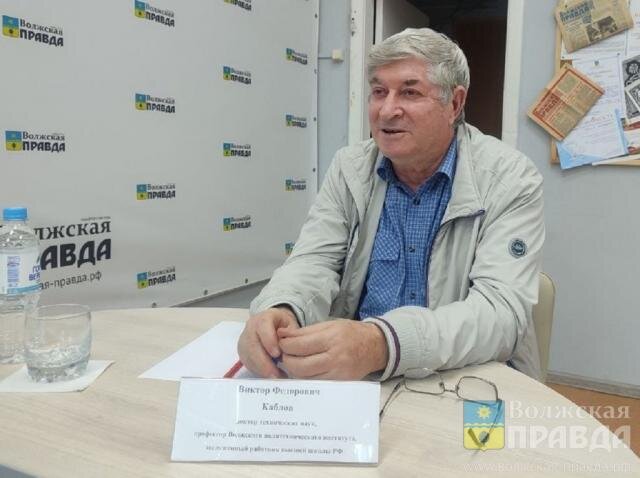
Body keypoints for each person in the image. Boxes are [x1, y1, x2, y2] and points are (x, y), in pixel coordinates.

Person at [238, 27, 545, 382]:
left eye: (410, 92)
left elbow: (499, 314)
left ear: (454, 104)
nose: (386, 110)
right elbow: (314, 260)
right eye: (379, 92)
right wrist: (281, 307)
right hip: (358, 376)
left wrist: (382, 342)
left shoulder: (511, 178)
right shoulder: (350, 167)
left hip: (462, 377)